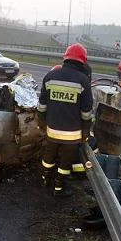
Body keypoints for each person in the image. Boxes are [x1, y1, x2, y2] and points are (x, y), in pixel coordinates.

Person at [37, 43, 93, 197]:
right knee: (65, 164)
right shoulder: (83, 81)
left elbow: (42, 106)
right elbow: (86, 112)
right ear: (82, 61)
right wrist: (86, 130)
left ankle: (44, 181)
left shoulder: (50, 77)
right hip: (72, 135)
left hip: (52, 131)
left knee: (48, 158)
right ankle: (58, 189)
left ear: (66, 58)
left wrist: (42, 123)